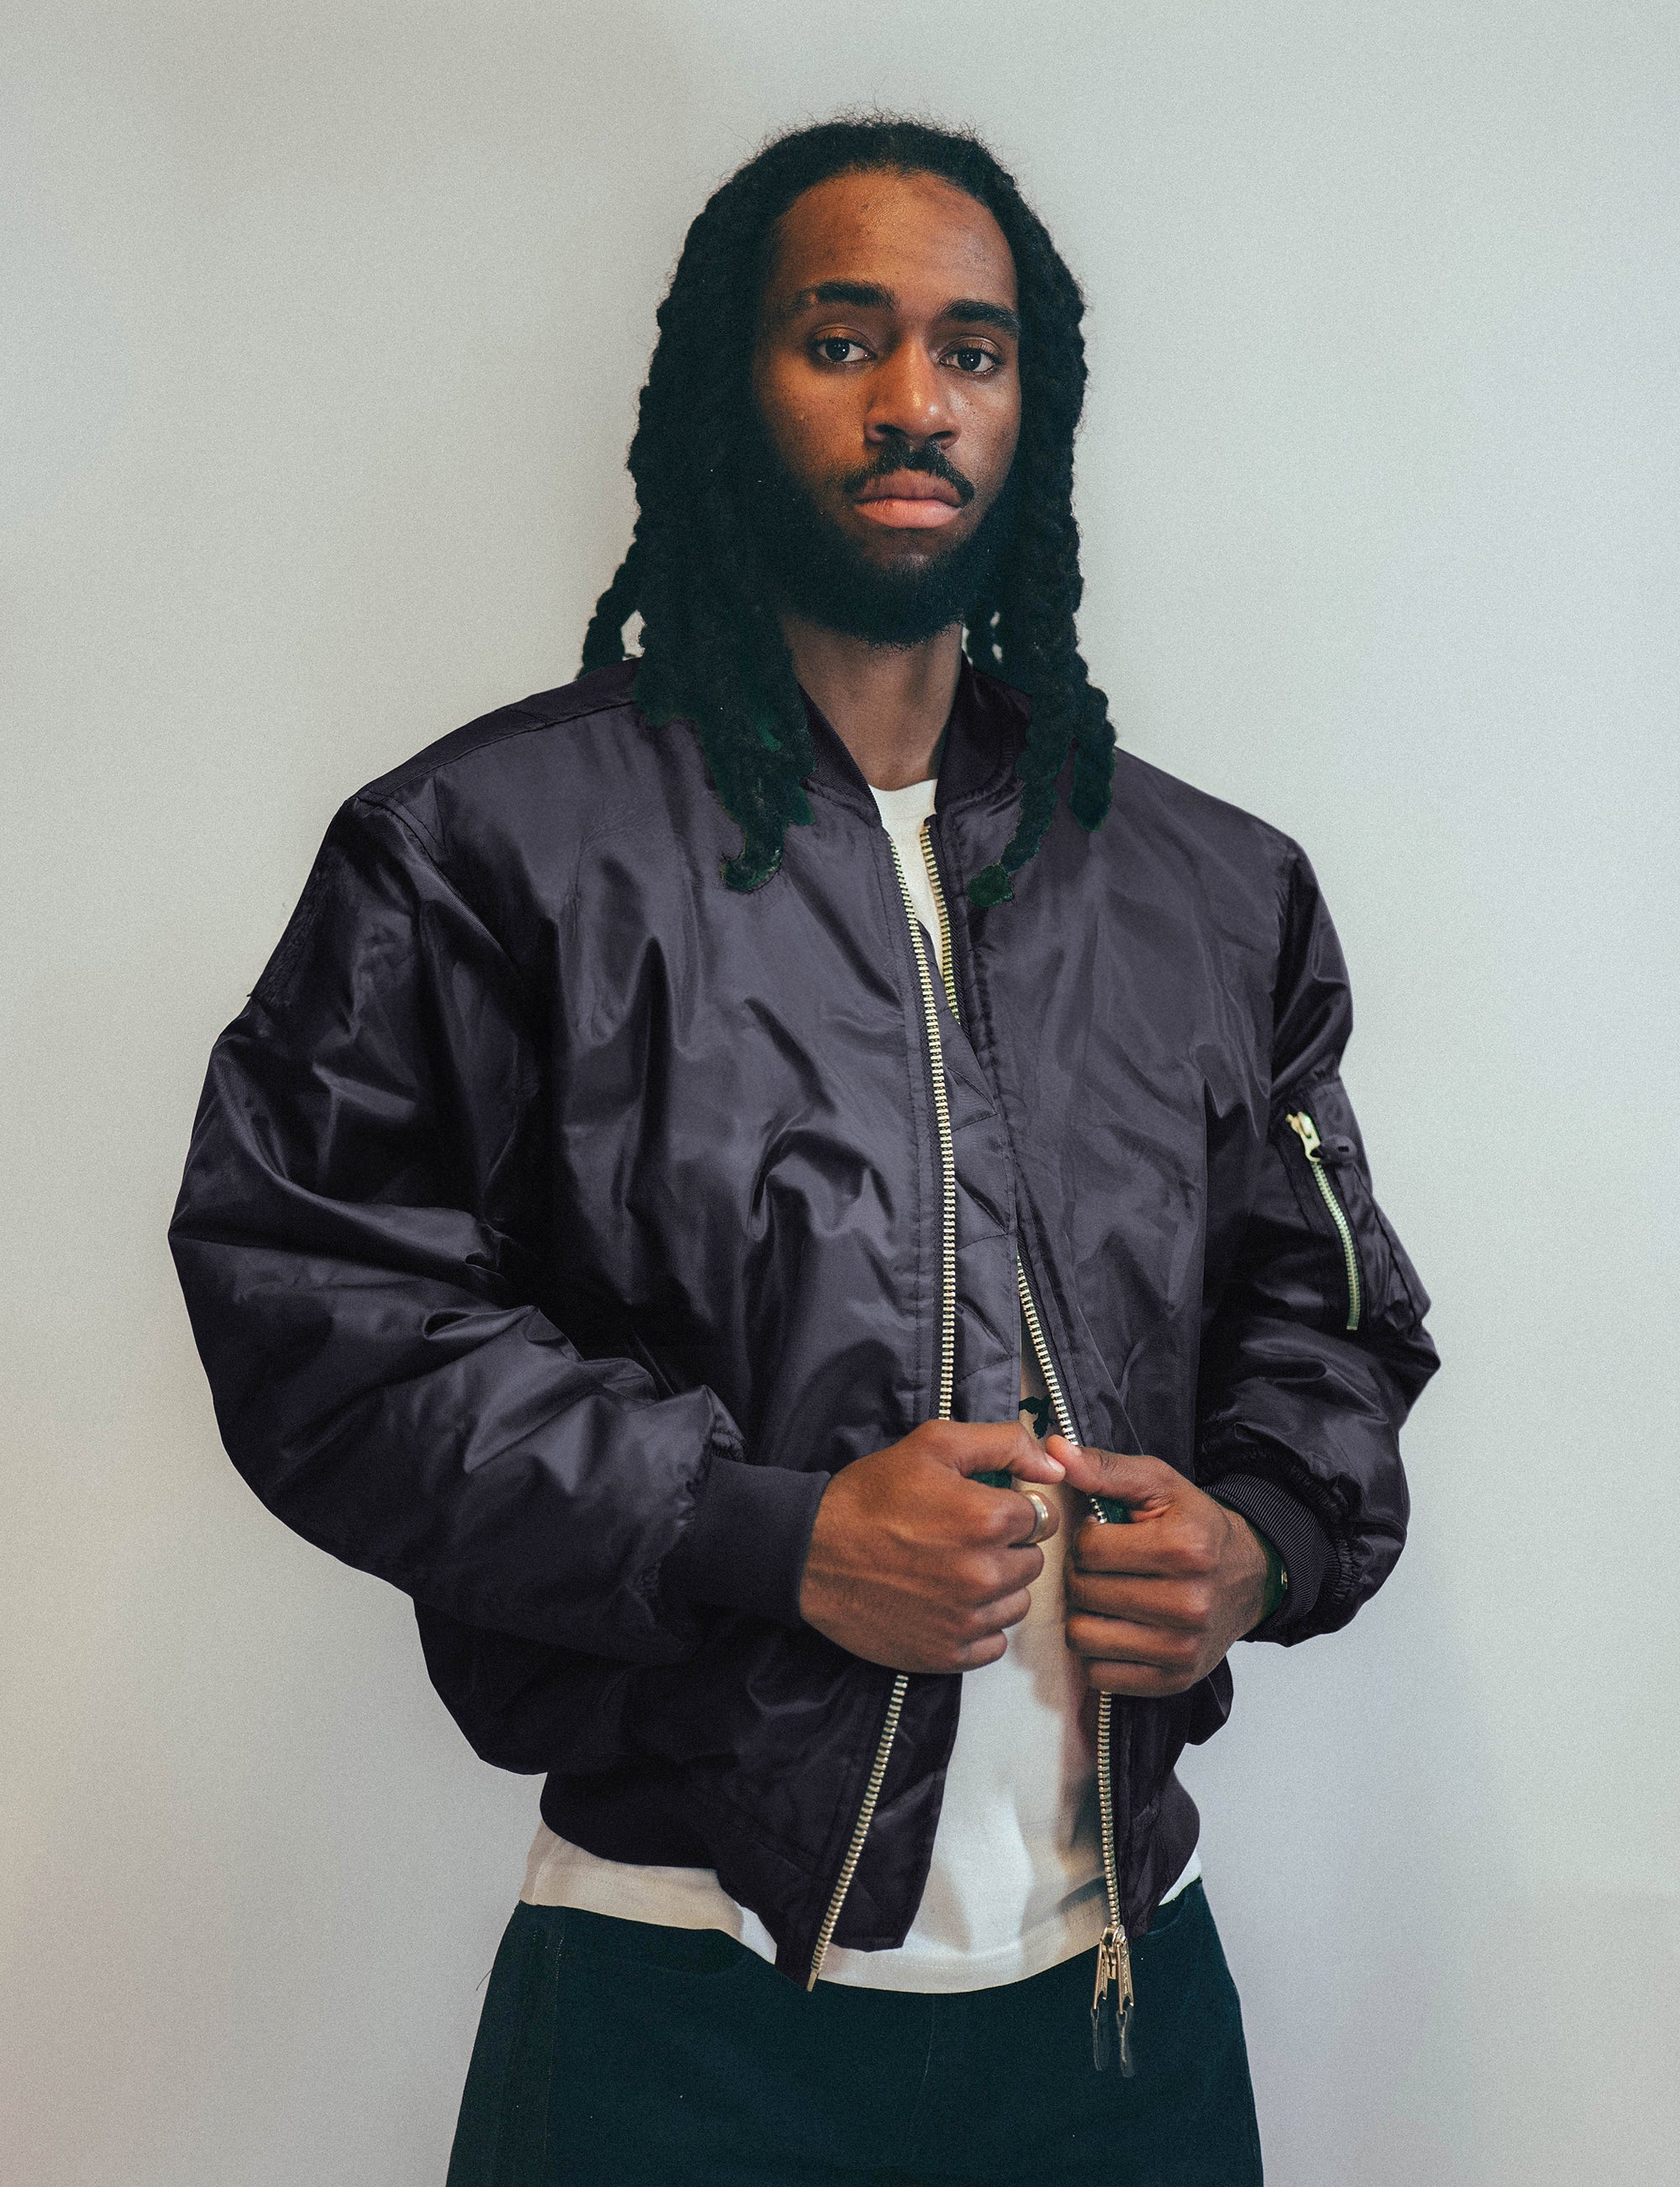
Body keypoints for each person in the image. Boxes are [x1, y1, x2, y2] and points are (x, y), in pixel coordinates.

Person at [170, 117, 1438, 2185]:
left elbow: (1332, 1314)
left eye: (971, 350)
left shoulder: (1212, 889)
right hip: (680, 2005)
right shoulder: (489, 851)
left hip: (1125, 2006)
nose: (914, 399)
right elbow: (317, 1313)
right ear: (725, 392)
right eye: (842, 340)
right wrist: (763, 1533)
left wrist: (1268, 1539)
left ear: (1032, 409)